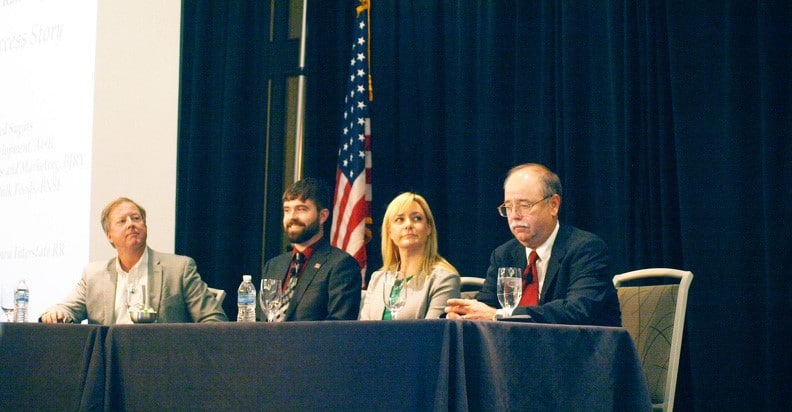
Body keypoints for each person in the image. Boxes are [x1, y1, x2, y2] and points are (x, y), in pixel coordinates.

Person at [445, 163, 621, 326]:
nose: (514, 215)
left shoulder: (586, 249)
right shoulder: (504, 255)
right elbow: (485, 307)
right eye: (508, 207)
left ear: (553, 205)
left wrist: (499, 315)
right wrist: (463, 315)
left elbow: (577, 310)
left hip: (578, 353)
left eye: (524, 205)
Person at [40, 197, 228, 324]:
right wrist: (58, 313)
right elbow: (67, 308)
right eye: (122, 221)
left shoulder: (179, 269)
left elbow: (213, 319)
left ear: (145, 226)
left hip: (164, 367)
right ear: (110, 236)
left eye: (136, 218)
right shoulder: (94, 276)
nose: (131, 224)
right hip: (109, 366)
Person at [257, 178, 361, 321]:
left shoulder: (341, 265)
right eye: (287, 210)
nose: (292, 217)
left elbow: (339, 328)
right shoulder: (273, 265)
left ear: (323, 216)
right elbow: (259, 320)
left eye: (301, 209)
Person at [359, 192, 460, 320]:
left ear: (429, 228)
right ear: (389, 231)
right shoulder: (378, 278)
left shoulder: (444, 279)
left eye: (417, 218)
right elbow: (363, 329)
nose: (408, 225)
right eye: (399, 219)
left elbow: (434, 334)